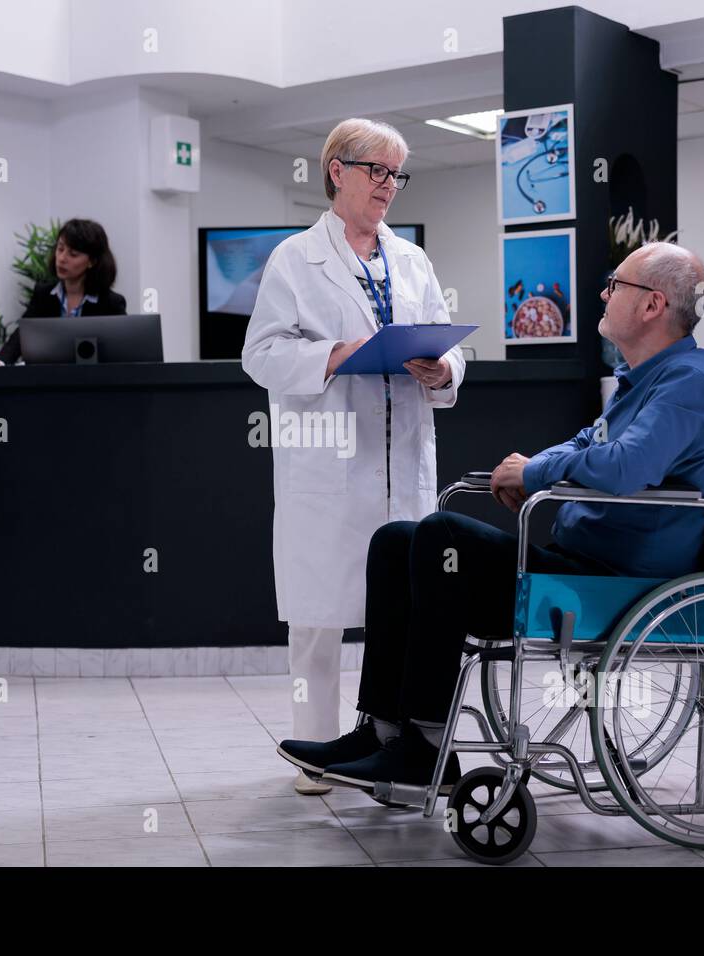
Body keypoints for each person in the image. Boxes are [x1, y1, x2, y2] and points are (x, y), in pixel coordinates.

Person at [277, 242, 704, 791]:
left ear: (652, 306)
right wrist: (534, 469)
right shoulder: (640, 378)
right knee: (395, 540)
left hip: (621, 587)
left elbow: (623, 465)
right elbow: (581, 443)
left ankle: (426, 747)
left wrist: (535, 475)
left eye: (615, 285)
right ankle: (382, 731)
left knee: (440, 531)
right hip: (580, 569)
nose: (603, 293)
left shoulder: (692, 381)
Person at [242, 118, 467, 794]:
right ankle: (314, 754)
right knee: (319, 618)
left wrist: (445, 369)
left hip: (402, 461)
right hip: (330, 463)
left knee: (402, 610)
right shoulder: (294, 259)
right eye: (377, 171)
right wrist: (333, 356)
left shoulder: (412, 259)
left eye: (398, 175)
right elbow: (261, 355)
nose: (389, 186)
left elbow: (447, 342)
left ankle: (392, 743)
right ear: (336, 171)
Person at [0, 219, 127, 364]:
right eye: (60, 249)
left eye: (73, 254)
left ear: (92, 261)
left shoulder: (110, 303)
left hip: (93, 382)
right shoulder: (44, 294)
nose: (62, 258)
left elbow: (123, 353)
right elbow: (21, 337)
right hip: (49, 381)